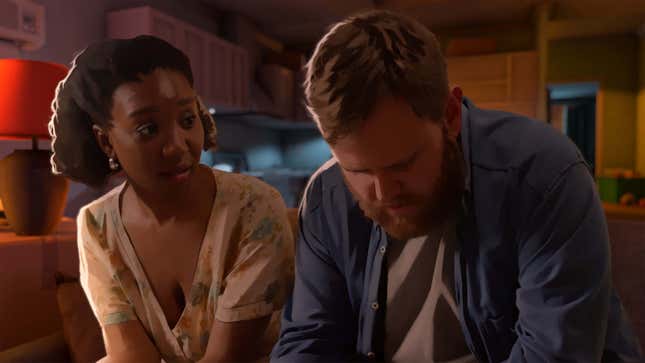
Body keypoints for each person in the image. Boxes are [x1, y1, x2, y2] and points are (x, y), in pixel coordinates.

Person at [271, 10, 643, 363]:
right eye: (358, 170)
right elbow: (310, 339)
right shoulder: (325, 197)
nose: (383, 193)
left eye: (404, 163)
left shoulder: (542, 174)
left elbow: (555, 354)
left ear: (450, 115)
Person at [49, 35, 294, 363]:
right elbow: (131, 357)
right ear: (106, 142)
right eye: (148, 129)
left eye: (188, 120)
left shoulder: (255, 208)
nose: (177, 145)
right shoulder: (97, 224)